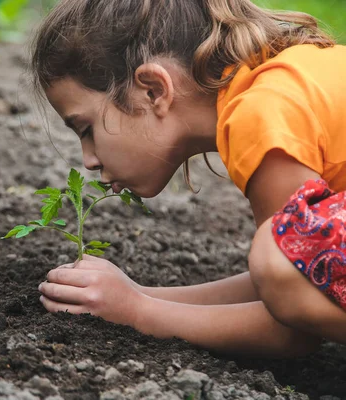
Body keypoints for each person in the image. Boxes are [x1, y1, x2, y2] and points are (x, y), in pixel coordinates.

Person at [31, 0, 346, 358]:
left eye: (86, 129)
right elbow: (296, 283)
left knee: (273, 257)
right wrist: (136, 295)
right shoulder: (281, 82)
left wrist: (138, 312)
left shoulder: (262, 114)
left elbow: (289, 327)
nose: (88, 160)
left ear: (153, 90)